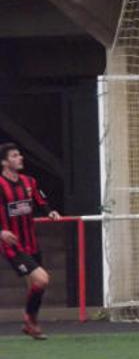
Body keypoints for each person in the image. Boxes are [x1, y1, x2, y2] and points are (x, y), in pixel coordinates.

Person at [0, 142, 61, 340]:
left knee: (36, 284)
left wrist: (50, 211)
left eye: (20, 154)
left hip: (31, 242)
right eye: (14, 156)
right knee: (42, 279)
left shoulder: (29, 181)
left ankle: (31, 324)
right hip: (12, 246)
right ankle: (29, 318)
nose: (20, 158)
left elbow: (41, 201)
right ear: (4, 162)